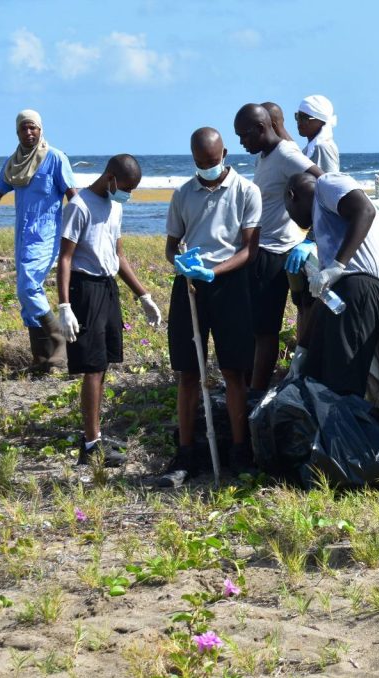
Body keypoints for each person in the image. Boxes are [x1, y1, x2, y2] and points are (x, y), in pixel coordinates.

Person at [161, 128, 261, 483]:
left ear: (225, 154)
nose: (207, 167)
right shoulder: (183, 194)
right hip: (190, 287)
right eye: (200, 162)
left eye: (212, 161)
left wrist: (214, 272)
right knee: (189, 372)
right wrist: (179, 262)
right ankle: (185, 453)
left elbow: (250, 249)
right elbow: (171, 245)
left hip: (230, 283)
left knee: (234, 371)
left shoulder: (246, 191)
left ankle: (240, 450)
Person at [56, 154, 162, 467]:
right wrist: (64, 305)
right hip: (84, 289)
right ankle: (90, 446)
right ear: (110, 177)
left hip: (107, 287)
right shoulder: (79, 206)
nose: (127, 194)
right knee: (92, 366)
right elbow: (65, 258)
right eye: (125, 188)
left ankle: (96, 434)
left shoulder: (116, 207)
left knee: (103, 364)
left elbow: (118, 256)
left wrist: (143, 295)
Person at [0, 110, 77, 373]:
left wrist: (80, 230)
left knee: (28, 287)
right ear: (17, 132)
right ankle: (42, 361)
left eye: (33, 128)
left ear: (40, 129)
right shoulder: (14, 163)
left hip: (46, 235)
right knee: (28, 296)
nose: (28, 133)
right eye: (23, 129)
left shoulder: (55, 158)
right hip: (23, 237)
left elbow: (72, 196)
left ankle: (59, 342)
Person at [233, 104, 323, 392]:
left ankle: (257, 392)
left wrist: (312, 236)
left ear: (261, 129)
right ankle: (249, 386)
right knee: (252, 327)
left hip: (274, 253)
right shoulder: (265, 155)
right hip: (259, 249)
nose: (241, 142)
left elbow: (323, 183)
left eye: (244, 135)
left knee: (265, 331)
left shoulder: (285, 154)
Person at [284, 172, 379, 396]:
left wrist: (337, 266)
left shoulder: (326, 184)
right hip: (342, 292)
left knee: (342, 385)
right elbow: (323, 297)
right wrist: (303, 349)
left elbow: (365, 210)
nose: (292, 219)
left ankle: (345, 417)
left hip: (362, 284)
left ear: (291, 195)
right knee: (315, 378)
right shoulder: (322, 223)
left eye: (288, 212)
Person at [296, 96, 340, 173]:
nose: (299, 121)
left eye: (305, 118)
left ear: (322, 121)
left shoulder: (323, 147)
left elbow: (328, 179)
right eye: (298, 116)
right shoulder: (309, 148)